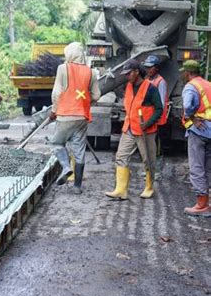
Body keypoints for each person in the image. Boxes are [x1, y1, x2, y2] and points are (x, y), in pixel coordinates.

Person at [105, 59, 163, 200]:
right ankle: (121, 190)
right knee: (121, 156)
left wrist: (148, 123)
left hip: (145, 131)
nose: (126, 76)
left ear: (137, 72)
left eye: (129, 73)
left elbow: (159, 109)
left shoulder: (151, 89)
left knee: (148, 159)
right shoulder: (128, 86)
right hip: (130, 127)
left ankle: (149, 187)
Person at [49, 42, 100, 194]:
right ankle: (77, 187)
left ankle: (66, 167)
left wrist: (53, 110)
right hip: (82, 117)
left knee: (57, 143)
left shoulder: (63, 68)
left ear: (69, 54)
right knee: (79, 150)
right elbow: (97, 95)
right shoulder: (91, 72)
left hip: (65, 115)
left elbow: (57, 93)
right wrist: (84, 102)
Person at [180, 60, 211, 217]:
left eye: (183, 72)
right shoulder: (208, 84)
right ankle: (208, 202)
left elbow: (188, 105)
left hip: (199, 131)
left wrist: (192, 118)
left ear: (187, 73)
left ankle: (202, 205)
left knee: (197, 167)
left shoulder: (190, 86)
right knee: (208, 167)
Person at [143, 54, 168, 160]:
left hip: (156, 119)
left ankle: (155, 169)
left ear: (156, 68)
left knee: (155, 145)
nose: (148, 69)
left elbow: (161, 103)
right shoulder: (147, 79)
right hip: (148, 117)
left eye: (150, 67)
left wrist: (154, 116)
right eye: (147, 67)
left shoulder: (160, 82)